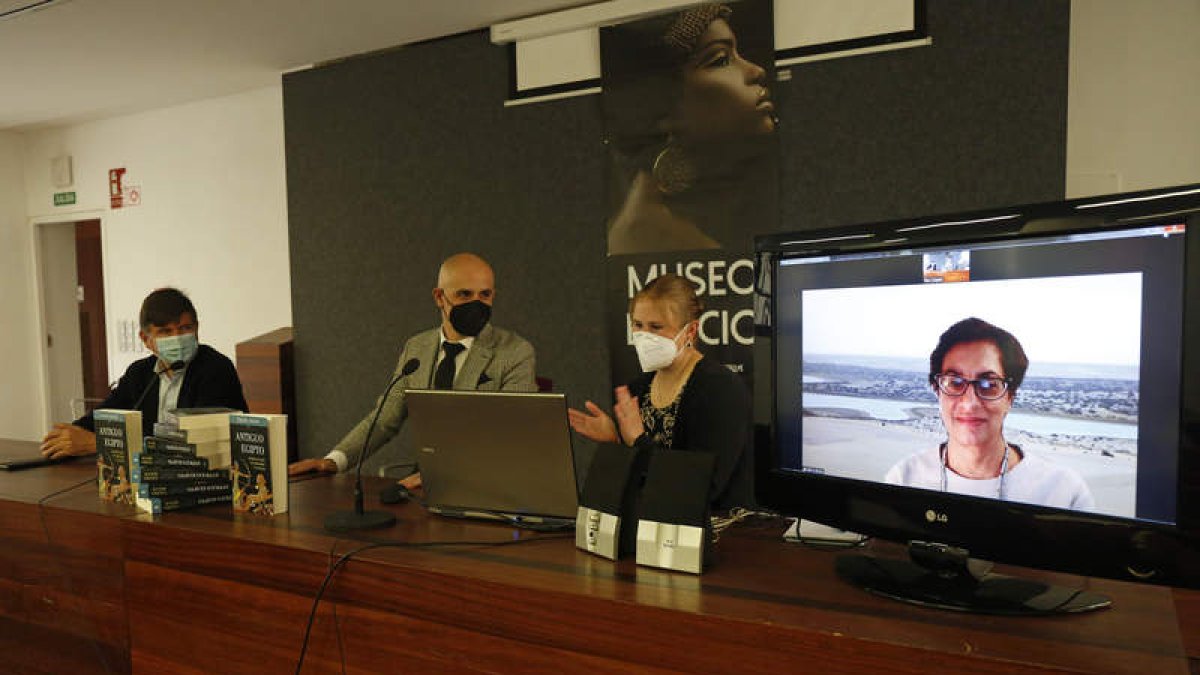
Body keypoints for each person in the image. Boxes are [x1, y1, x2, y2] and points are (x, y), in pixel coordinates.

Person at [288, 253, 536, 487]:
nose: (476, 303)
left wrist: (447, 475)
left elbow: (508, 434)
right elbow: (385, 419)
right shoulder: (416, 348)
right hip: (423, 483)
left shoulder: (515, 351)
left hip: (486, 484)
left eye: (485, 295)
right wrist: (335, 460)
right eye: (464, 294)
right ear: (439, 297)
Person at [602, 2, 777, 255]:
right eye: (720, 60)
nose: (756, 71)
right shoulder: (647, 228)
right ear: (663, 107)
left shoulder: (729, 205)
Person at [568, 273, 752, 510]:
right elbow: (634, 483)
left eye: (656, 327)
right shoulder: (638, 389)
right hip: (651, 527)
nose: (644, 336)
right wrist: (613, 441)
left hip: (715, 532)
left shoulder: (720, 389)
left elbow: (701, 487)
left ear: (690, 331)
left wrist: (637, 439)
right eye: (637, 325)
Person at [885, 317, 1095, 510]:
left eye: (988, 384)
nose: (969, 403)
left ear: (1010, 397)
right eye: (955, 383)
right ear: (937, 391)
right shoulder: (904, 479)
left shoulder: (1063, 493)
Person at [40, 288, 247, 459]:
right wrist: (68, 436)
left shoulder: (216, 368)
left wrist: (99, 443)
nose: (177, 337)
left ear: (197, 328)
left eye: (185, 328)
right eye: (165, 331)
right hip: (151, 477)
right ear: (145, 339)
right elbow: (106, 415)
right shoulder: (139, 373)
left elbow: (196, 441)